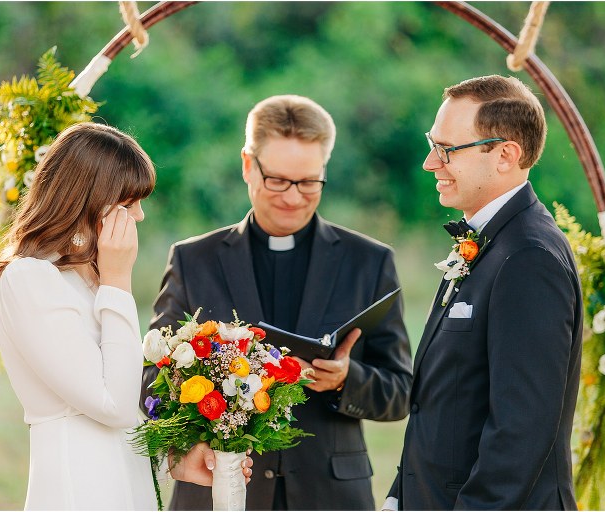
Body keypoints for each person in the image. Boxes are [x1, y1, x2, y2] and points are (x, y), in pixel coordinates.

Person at [142, 94, 413, 510]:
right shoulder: (193, 260)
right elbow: (150, 381)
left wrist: (344, 379)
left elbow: (400, 391)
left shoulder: (370, 262)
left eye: (308, 182)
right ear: (249, 165)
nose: (293, 197)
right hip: (218, 492)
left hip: (331, 496)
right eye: (278, 180)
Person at [0, 122, 252, 510]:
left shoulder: (89, 280)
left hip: (126, 486)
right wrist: (118, 280)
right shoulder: (30, 278)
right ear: (83, 200)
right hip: (79, 489)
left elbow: (120, 408)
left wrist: (173, 459)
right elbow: (113, 404)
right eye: (127, 204)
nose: (139, 216)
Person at [385, 75, 583, 510]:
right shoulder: (489, 241)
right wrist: (400, 497)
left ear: (505, 156)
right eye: (432, 144)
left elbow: (521, 430)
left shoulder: (530, 258)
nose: (429, 163)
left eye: (446, 150)